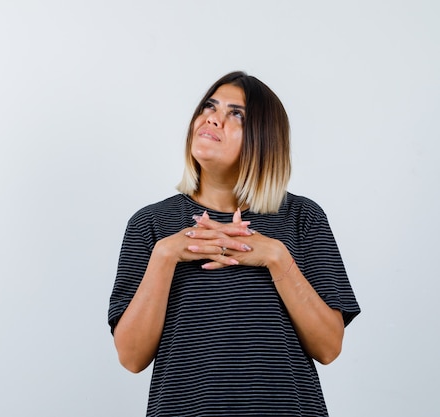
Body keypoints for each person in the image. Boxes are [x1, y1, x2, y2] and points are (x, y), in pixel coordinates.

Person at [108, 71, 361, 416]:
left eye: (236, 113)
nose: (213, 117)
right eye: (209, 107)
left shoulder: (303, 217)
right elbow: (132, 358)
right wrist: (165, 256)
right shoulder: (150, 225)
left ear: (265, 139)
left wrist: (276, 257)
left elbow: (329, 347)